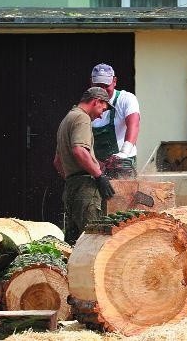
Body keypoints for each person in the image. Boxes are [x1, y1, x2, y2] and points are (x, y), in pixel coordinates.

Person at [54, 87, 116, 245]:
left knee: (74, 244)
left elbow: (57, 162)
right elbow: (79, 150)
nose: (102, 113)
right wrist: (98, 176)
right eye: (103, 108)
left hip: (71, 188)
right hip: (86, 189)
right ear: (96, 101)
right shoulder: (82, 118)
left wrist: (74, 177)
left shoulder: (67, 119)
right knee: (92, 242)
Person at [90, 63, 140, 178]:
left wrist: (124, 153)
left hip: (123, 164)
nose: (102, 90)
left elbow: (134, 125)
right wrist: (98, 165)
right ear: (91, 83)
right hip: (98, 166)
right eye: (98, 85)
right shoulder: (87, 105)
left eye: (105, 85)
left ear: (114, 81)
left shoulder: (126, 99)